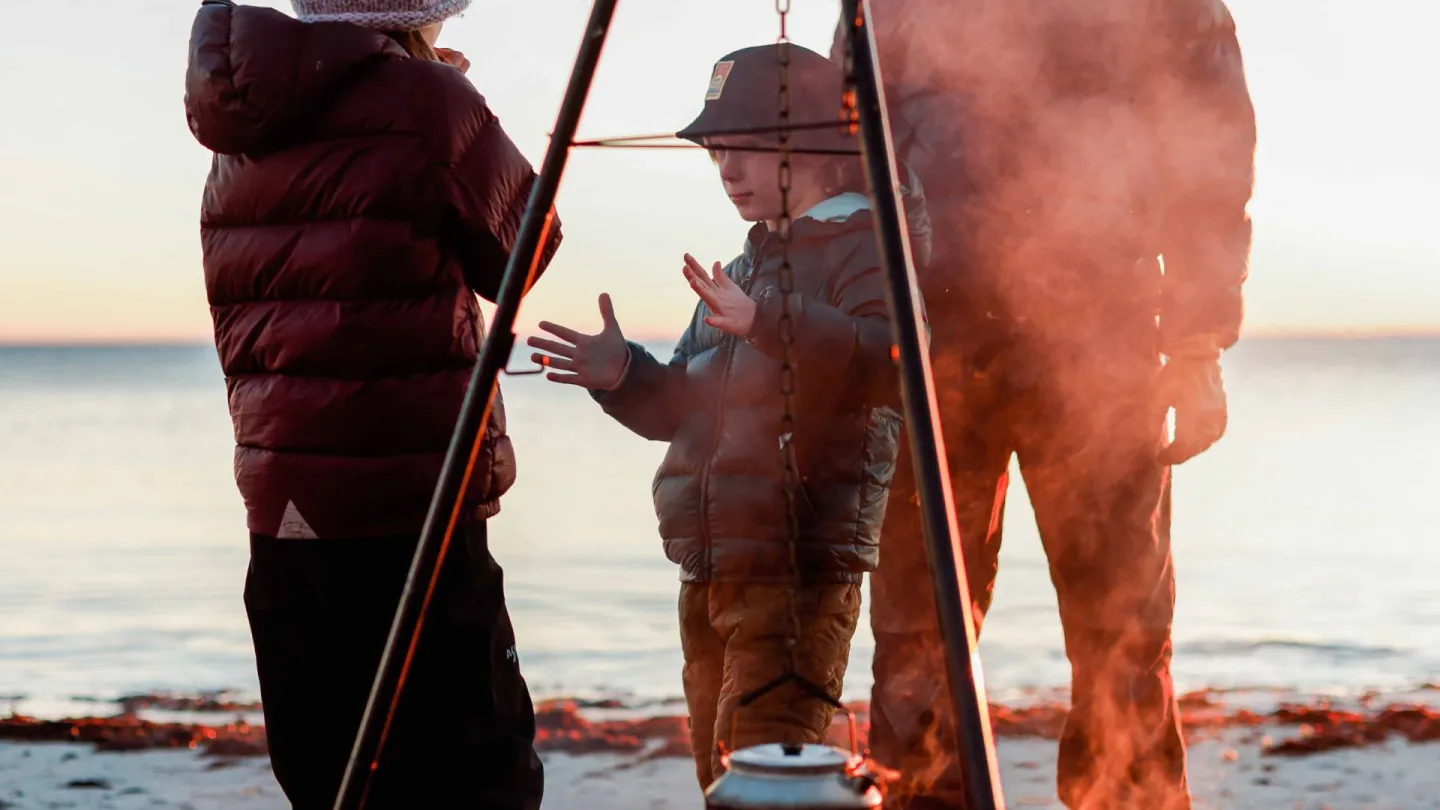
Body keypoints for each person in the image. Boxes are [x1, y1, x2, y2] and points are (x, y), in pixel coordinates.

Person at [829, 1, 1257, 808]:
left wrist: (1198, 345)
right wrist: (840, 334)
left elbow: (1209, 156)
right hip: (926, 349)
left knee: (1122, 638)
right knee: (917, 642)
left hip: (1100, 346)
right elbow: (843, 150)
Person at [184, 1, 562, 807]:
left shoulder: (238, 135)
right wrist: (456, 115)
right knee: (475, 772)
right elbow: (526, 252)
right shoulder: (429, 105)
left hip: (283, 512)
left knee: (332, 776)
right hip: (412, 512)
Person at [525, 44, 930, 790]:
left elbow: (896, 362)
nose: (727, 172)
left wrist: (770, 320)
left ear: (809, 147)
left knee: (768, 778)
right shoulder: (742, 269)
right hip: (713, 568)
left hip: (799, 571)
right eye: (716, 155)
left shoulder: (865, 247)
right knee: (722, 776)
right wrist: (623, 377)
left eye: (743, 150)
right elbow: (688, 406)